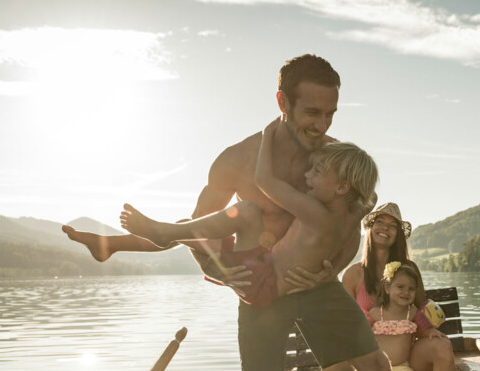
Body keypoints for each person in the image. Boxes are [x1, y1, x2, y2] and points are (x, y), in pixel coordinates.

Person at [64, 55, 455, 371]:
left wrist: (330, 268)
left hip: (315, 283)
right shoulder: (236, 161)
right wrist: (231, 276)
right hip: (262, 283)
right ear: (281, 102)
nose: (322, 124)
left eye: (330, 113)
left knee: (375, 368)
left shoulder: (332, 158)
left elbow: (351, 222)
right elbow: (195, 230)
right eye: (312, 112)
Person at [118, 118, 376, 309]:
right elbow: (369, 200)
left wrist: (266, 136)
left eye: (317, 173)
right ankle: (170, 234)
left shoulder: (314, 213)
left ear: (342, 187)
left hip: (262, 284)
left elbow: (264, 180)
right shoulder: (347, 213)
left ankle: (167, 233)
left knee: (248, 211)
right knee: (202, 229)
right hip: (264, 275)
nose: (307, 176)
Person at [312, 202, 463, 371]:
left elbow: (420, 309)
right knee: (329, 364)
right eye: (380, 223)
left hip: (403, 355)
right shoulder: (354, 273)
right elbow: (344, 320)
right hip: (363, 358)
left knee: (443, 348)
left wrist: (429, 330)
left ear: (399, 235)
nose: (386, 228)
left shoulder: (408, 269)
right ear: (369, 228)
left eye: (393, 226)